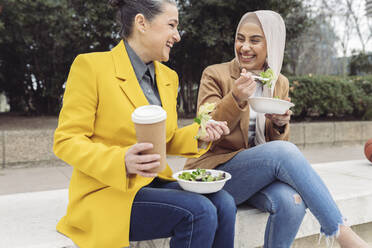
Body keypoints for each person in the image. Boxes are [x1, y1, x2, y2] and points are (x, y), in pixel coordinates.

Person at [53, 0, 235, 248]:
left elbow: (165, 140)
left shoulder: (168, 78)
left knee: (223, 202)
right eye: (172, 25)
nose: (177, 36)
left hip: (153, 183)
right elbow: (66, 141)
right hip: (106, 192)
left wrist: (201, 134)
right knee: (198, 210)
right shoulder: (91, 67)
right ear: (141, 23)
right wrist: (121, 160)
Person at [185, 10, 370, 248]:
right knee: (284, 152)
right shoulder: (215, 74)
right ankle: (341, 233)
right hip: (219, 173)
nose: (244, 47)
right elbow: (204, 129)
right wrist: (235, 97)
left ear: (272, 43)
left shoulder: (278, 82)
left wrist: (280, 125)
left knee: (293, 202)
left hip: (258, 176)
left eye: (254, 40)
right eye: (240, 38)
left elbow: (279, 148)